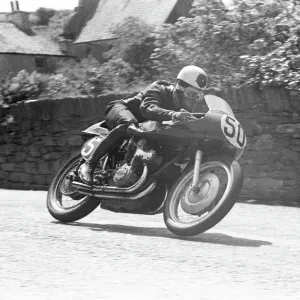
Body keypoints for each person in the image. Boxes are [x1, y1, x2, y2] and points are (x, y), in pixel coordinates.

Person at [78, 65, 208, 184]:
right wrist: (174, 115)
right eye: (191, 94)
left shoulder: (187, 109)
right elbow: (148, 108)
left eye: (198, 96)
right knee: (129, 124)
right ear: (179, 88)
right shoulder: (160, 88)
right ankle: (89, 164)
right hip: (120, 109)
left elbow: (206, 115)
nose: (193, 100)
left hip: (143, 131)